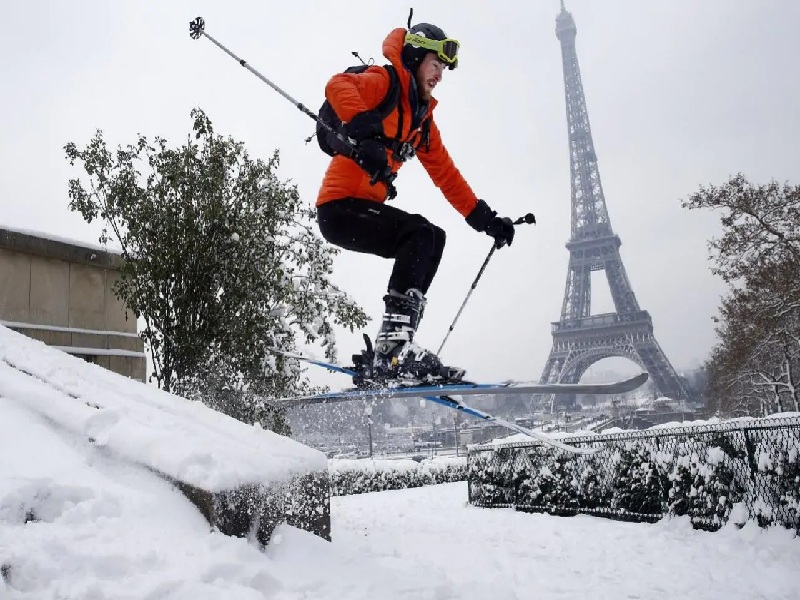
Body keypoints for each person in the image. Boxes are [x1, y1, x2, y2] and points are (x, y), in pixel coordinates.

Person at [316, 22, 515, 383]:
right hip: (339, 208)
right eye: (435, 64)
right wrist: (367, 132)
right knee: (419, 234)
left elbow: (446, 175)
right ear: (414, 56)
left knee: (433, 237)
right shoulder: (384, 82)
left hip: (363, 208)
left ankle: (395, 348)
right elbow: (337, 86)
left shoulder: (421, 122)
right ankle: (392, 350)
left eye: (443, 69)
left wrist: (487, 220)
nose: (439, 75)